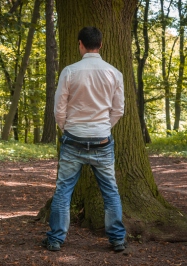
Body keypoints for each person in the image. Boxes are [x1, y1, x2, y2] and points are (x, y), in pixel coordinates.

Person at [42, 26, 126, 252]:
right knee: (110, 190)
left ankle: (56, 239)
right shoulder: (114, 73)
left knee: (63, 191)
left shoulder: (69, 71)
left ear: (80, 44)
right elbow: (118, 110)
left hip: (73, 139)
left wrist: (66, 128)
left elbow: (59, 108)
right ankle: (117, 239)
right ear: (101, 44)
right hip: (102, 141)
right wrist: (103, 128)